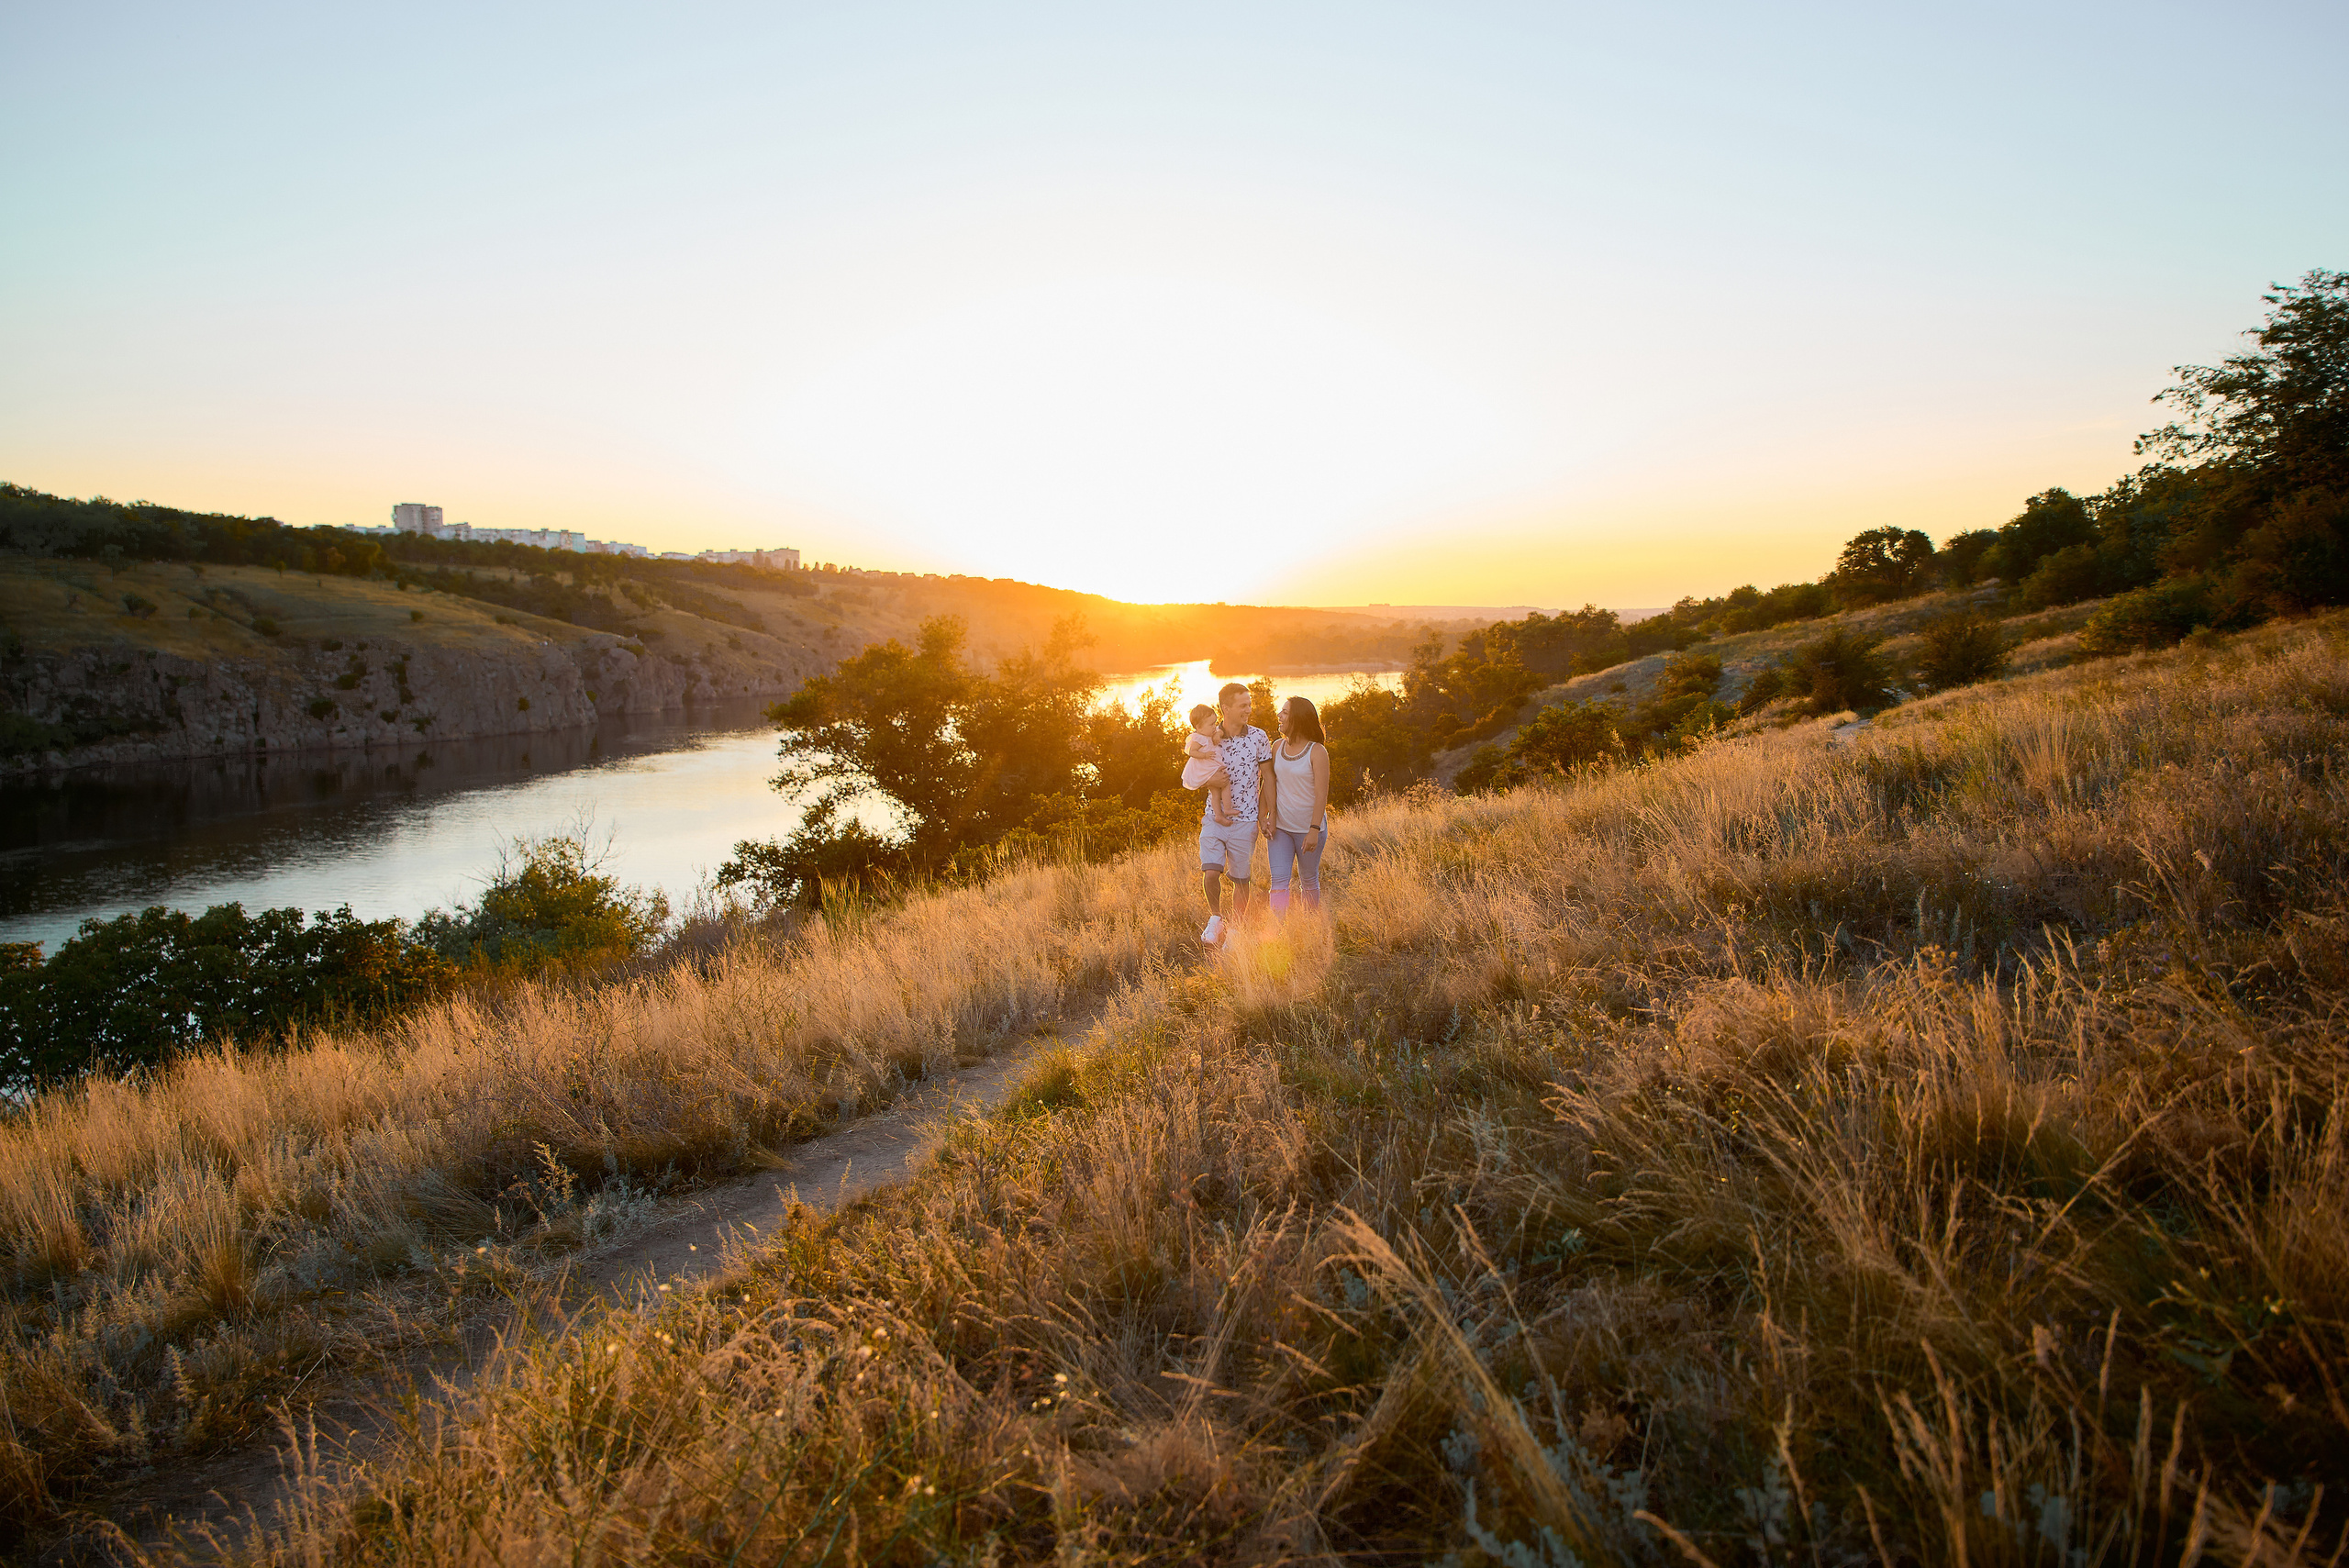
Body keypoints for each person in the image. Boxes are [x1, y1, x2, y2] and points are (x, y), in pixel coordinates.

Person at [1184, 682, 1274, 947]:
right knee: (1211, 872)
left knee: (1240, 879)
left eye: (1249, 704)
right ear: (1226, 708)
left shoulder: (1258, 736)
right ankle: (1216, 918)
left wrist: (1267, 815)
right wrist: (1212, 782)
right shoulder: (1209, 734)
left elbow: (1268, 777)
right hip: (1214, 816)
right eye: (1243, 705)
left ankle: (1235, 931)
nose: (1249, 709)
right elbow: (1192, 773)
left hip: (1246, 820)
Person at [1264, 695, 1331, 916]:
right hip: (1281, 828)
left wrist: (1313, 830)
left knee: (1309, 880)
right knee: (1279, 881)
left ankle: (1310, 927)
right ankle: (1278, 930)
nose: (1279, 715)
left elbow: (1321, 795)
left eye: (1285, 712)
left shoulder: (1317, 752)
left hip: (1308, 830)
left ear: (1298, 718)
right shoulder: (1276, 747)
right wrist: (1263, 818)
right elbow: (1269, 783)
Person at [1180, 704, 1235, 825]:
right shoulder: (1198, 738)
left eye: (1215, 723)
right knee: (1223, 784)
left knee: (1218, 791)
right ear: (1199, 727)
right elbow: (1191, 752)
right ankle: (1224, 811)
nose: (1214, 727)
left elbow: (1220, 731)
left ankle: (1222, 813)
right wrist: (1204, 755)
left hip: (1212, 765)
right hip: (1207, 767)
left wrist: (1218, 734)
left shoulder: (1211, 734)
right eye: (1211, 725)